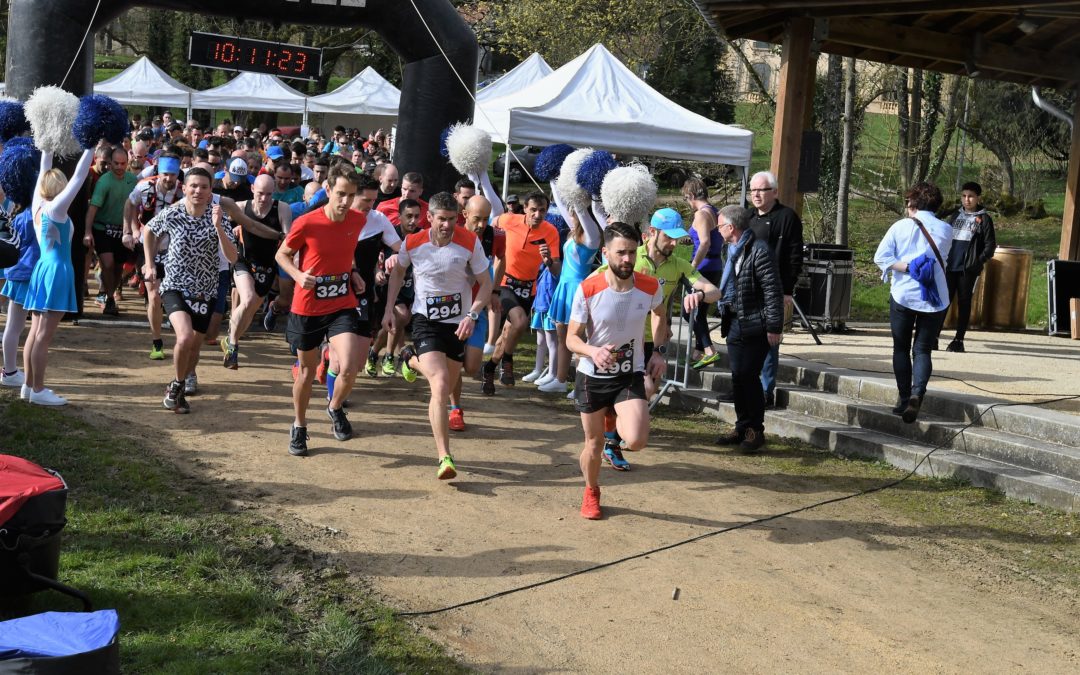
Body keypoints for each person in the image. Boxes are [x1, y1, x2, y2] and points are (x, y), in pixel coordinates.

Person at [382, 191, 492, 479]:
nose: (447, 225)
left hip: (458, 324)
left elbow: (486, 282)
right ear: (428, 217)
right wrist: (389, 308)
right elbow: (398, 273)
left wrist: (472, 314)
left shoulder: (469, 242)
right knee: (441, 385)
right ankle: (444, 456)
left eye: (453, 219)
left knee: (451, 379)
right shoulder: (413, 242)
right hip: (425, 321)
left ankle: (409, 358)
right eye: (441, 219)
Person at [566, 222, 667, 519]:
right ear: (605, 252)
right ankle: (591, 491)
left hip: (628, 374)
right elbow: (571, 338)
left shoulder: (649, 286)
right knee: (594, 445)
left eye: (632, 253)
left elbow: (660, 314)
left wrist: (658, 351)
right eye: (621, 252)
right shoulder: (588, 288)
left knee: (636, 440)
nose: (627, 259)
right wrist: (592, 350)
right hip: (593, 376)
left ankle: (615, 414)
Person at [275, 164, 367, 456]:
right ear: (328, 190)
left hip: (341, 302)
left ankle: (335, 407)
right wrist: (299, 276)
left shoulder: (357, 220)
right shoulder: (307, 222)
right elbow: (282, 254)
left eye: (351, 195)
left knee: (351, 367)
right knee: (306, 372)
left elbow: (346, 250)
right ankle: (299, 426)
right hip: (309, 306)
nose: (345, 202)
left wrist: (353, 272)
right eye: (340, 194)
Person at [142, 168, 238, 414]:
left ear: (210, 192)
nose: (198, 191)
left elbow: (232, 256)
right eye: (193, 186)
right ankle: (175, 385)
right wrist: (150, 263)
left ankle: (181, 386)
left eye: (204, 187)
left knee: (195, 346)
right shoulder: (173, 213)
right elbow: (149, 230)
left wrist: (217, 227)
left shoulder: (219, 216)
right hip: (175, 285)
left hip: (206, 289)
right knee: (183, 337)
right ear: (184, 188)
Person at [873, 182, 952, 424]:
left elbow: (881, 258)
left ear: (914, 204)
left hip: (904, 294)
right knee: (923, 349)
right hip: (935, 297)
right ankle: (918, 392)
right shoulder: (946, 229)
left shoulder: (900, 227)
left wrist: (907, 267)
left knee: (900, 348)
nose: (906, 207)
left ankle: (904, 398)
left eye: (908, 203)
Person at [22, 148, 94, 405]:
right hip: (57, 271)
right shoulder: (56, 208)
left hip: (43, 269)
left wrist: (48, 144)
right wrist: (91, 144)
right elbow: (80, 175)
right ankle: (38, 389)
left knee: (35, 331)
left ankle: (29, 387)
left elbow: (44, 166)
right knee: (43, 335)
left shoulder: (38, 203)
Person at [712, 205, 784, 453]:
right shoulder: (729, 248)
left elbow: (773, 292)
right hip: (734, 321)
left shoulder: (759, 250)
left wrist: (774, 326)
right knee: (738, 377)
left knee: (748, 376)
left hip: (756, 324)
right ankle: (742, 426)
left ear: (731, 227)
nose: (718, 229)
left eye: (720, 225)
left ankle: (756, 429)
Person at [482, 192, 561, 393]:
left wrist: (548, 262)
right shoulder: (508, 220)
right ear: (524, 208)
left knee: (508, 333)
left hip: (528, 288)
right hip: (505, 282)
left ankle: (490, 367)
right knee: (520, 322)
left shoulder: (550, 231)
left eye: (542, 210)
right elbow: (490, 224)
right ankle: (507, 360)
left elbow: (557, 269)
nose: (537, 214)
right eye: (533, 209)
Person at [221, 174, 292, 368]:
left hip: (267, 265)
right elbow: (222, 223)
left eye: (269, 194)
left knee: (250, 310)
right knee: (248, 298)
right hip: (243, 260)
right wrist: (233, 231)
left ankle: (231, 339)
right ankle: (233, 345)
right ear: (252, 189)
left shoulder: (281, 209)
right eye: (260, 193)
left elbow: (288, 238)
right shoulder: (242, 206)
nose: (264, 198)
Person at [747, 170, 803, 408]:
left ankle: (765, 390)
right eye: (753, 190)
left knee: (770, 340)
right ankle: (744, 386)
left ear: (774, 192)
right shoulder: (747, 216)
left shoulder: (787, 217)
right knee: (746, 340)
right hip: (747, 289)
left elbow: (794, 255)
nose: (756, 195)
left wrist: (787, 290)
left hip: (774, 288)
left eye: (762, 190)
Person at [125, 153, 184, 360]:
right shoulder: (144, 186)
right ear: (159, 172)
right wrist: (131, 230)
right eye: (166, 174)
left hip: (174, 247)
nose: (169, 179)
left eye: (173, 175)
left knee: (175, 292)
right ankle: (157, 341)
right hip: (147, 245)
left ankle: (181, 337)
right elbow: (129, 204)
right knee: (154, 294)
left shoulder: (184, 190)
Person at [943, 181, 997, 353]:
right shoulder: (954, 216)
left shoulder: (984, 219)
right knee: (943, 301)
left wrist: (977, 262)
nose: (967, 200)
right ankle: (934, 337)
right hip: (950, 266)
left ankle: (958, 339)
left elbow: (990, 246)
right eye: (964, 196)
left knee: (964, 303)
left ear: (978, 198)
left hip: (968, 270)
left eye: (971, 196)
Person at [85, 146, 138, 316]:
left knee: (117, 267)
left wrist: (134, 228)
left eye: (123, 163)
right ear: (110, 163)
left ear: (127, 163)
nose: (119, 167)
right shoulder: (104, 181)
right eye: (116, 163)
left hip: (123, 231)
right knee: (107, 264)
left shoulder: (132, 180)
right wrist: (88, 231)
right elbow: (93, 208)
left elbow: (136, 207)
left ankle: (110, 295)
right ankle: (109, 297)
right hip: (102, 228)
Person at [681, 178, 725, 370]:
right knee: (700, 312)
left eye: (686, 199)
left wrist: (693, 265)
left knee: (689, 311)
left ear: (691, 196)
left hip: (704, 267)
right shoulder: (715, 211)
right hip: (715, 265)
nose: (688, 204)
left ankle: (709, 351)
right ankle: (697, 352)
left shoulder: (701, 214)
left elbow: (705, 242)